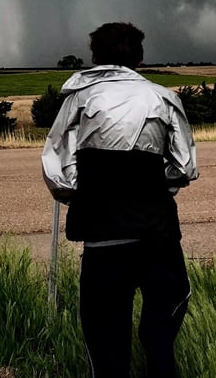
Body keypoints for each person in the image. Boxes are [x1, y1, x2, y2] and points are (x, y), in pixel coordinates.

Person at [41, 22, 199, 378]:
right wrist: (154, 187)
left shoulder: (79, 98)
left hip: (103, 233)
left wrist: (85, 194)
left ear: (94, 55)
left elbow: (55, 165)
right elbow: (185, 166)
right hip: (159, 233)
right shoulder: (164, 97)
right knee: (163, 323)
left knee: (105, 333)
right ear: (140, 58)